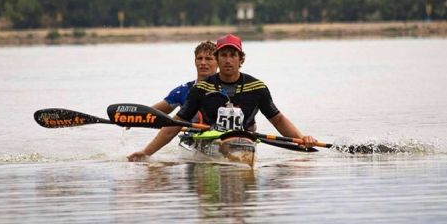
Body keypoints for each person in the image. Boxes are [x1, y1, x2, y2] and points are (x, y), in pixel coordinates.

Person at [127, 33, 317, 161]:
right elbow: (174, 125)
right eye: (223, 55)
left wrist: (303, 141)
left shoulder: (257, 87)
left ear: (240, 59)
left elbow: (278, 119)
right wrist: (146, 153)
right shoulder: (200, 89)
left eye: (232, 55)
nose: (227, 60)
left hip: (245, 140)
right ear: (218, 59)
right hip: (208, 140)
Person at [151, 41, 217, 115]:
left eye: (208, 59)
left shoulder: (226, 90)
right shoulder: (183, 91)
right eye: (199, 58)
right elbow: (149, 113)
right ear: (195, 61)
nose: (203, 63)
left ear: (218, 62)